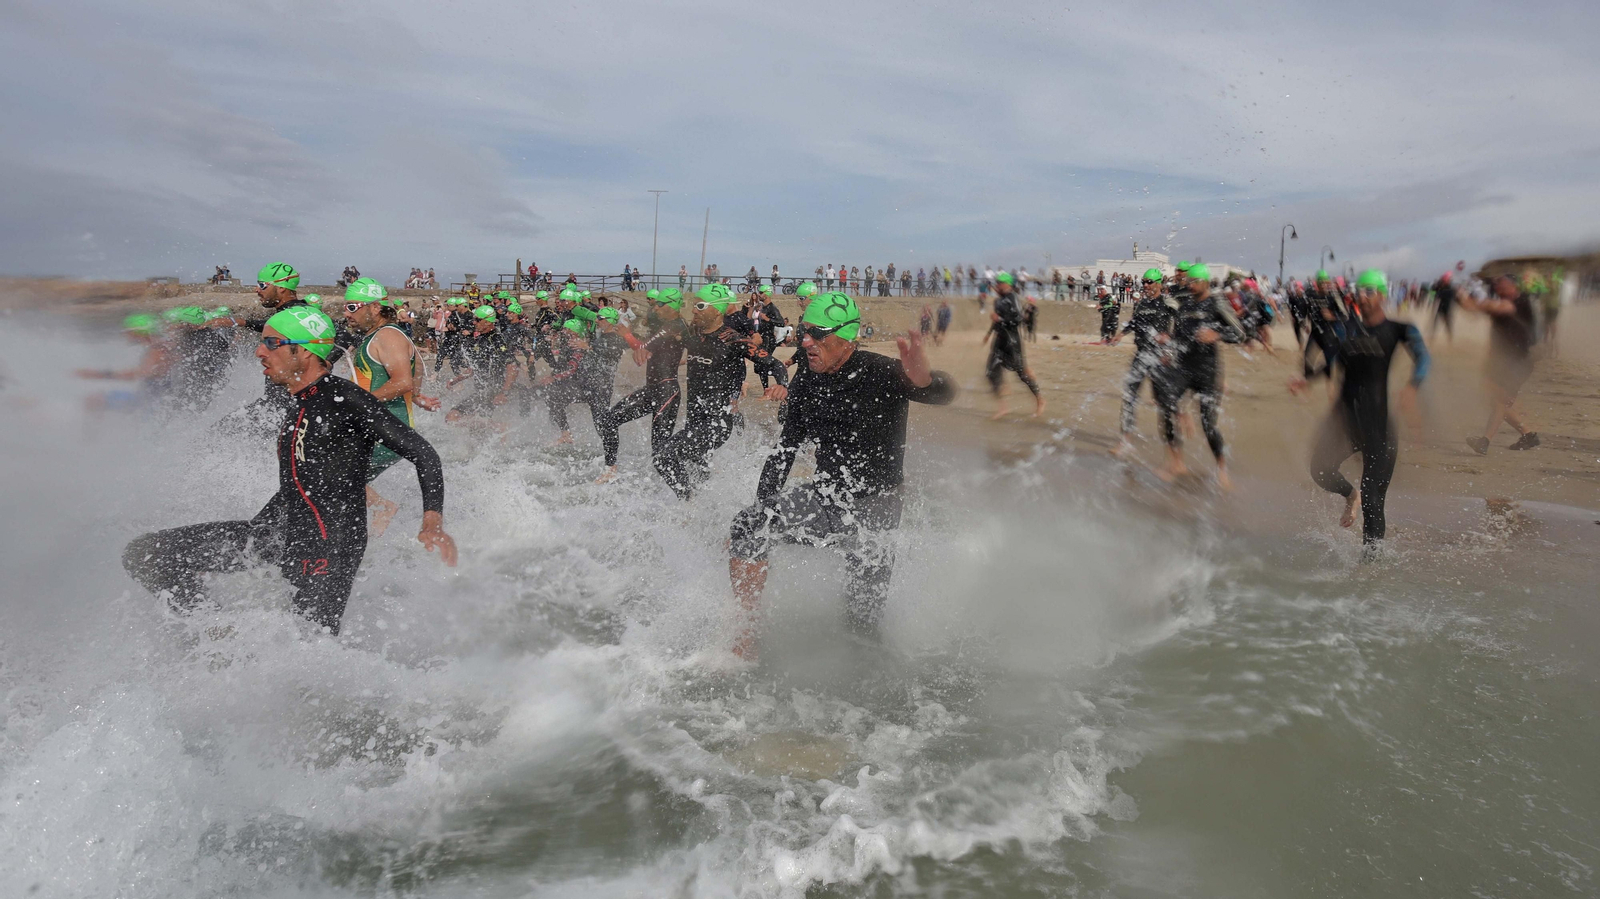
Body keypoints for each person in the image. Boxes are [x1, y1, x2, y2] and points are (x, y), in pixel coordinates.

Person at [122, 306, 456, 635]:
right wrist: (260, 525)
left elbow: (423, 452)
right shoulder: (299, 399)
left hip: (329, 546)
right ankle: (215, 634)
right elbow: (306, 478)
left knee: (311, 643)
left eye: (271, 343)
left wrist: (432, 521)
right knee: (147, 554)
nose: (258, 351)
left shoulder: (345, 399)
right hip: (278, 534)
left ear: (305, 352)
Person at [727, 292, 955, 658]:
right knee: (749, 526)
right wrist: (762, 507)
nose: (806, 342)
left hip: (876, 509)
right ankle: (745, 639)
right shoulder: (805, 383)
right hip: (827, 499)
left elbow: (943, 394)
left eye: (817, 334)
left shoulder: (880, 371)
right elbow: (784, 453)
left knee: (862, 622)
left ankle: (871, 683)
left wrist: (925, 381)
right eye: (804, 332)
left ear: (847, 336)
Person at [1290, 270, 1427, 558]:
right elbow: (1333, 361)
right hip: (1346, 423)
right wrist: (1309, 378)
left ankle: (1371, 565)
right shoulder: (1347, 330)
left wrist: (1412, 388)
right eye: (1359, 291)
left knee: (1374, 502)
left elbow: (1423, 358)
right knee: (1320, 470)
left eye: (1368, 291)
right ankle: (1350, 494)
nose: (1362, 297)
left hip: (1378, 425)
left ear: (1381, 295)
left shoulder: (1398, 330)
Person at [655, 283, 788, 500]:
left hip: (718, 423)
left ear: (717, 310)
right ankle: (704, 508)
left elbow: (776, 365)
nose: (694, 310)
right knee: (698, 471)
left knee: (663, 457)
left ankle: (686, 502)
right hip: (695, 419)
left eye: (700, 306)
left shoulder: (733, 339)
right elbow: (670, 323)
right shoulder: (693, 334)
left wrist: (782, 386)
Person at [341, 278, 441, 537]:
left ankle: (381, 508)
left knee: (328, 473)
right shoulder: (378, 335)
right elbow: (416, 365)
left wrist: (356, 404)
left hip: (385, 432)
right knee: (338, 483)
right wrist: (416, 395)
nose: (345, 313)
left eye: (352, 307)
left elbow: (401, 380)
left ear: (374, 308)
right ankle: (366, 531)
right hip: (375, 430)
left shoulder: (387, 335)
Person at [1152, 264, 1243, 488]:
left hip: (1207, 371)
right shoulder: (1185, 305)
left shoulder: (1216, 303)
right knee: (1165, 406)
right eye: (1188, 282)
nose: (1190, 286)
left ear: (1204, 282)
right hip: (1184, 367)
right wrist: (1168, 347)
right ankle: (1177, 463)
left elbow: (1240, 333)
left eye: (1194, 282)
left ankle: (1222, 468)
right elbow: (1179, 335)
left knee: (1208, 423)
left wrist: (1217, 334)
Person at [604, 288, 687, 480]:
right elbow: (649, 349)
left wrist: (626, 334)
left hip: (667, 391)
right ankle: (610, 469)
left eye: (659, 304)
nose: (655, 308)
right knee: (609, 420)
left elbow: (642, 347)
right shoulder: (668, 326)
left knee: (660, 455)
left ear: (671, 305)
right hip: (653, 390)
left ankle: (689, 496)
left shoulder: (674, 326)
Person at [1463, 274, 1540, 453]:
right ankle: (1528, 435)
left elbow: (1496, 308)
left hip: (1519, 362)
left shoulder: (1519, 302)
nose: (1499, 288)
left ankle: (1484, 441)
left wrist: (1465, 297)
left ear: (1514, 287)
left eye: (1503, 285)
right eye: (1498, 285)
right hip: (1505, 361)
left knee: (1500, 401)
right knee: (1495, 399)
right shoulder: (1506, 301)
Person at [1111, 269, 1179, 457]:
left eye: (1150, 282)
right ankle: (1125, 441)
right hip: (1141, 355)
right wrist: (1120, 334)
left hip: (1160, 356)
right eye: (1144, 282)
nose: (1146, 285)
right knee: (1129, 396)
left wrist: (1170, 338)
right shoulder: (1141, 303)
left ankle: (1173, 449)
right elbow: (1134, 322)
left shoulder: (1167, 302)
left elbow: (1181, 323)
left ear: (1159, 283)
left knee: (1164, 402)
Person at [981, 272, 1044, 419]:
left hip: (1012, 341)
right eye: (996, 283)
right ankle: (1003, 407)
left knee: (1022, 374)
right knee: (990, 372)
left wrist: (1000, 319)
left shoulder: (1012, 298)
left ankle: (1040, 400)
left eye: (999, 283)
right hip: (999, 341)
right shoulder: (998, 301)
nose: (997, 286)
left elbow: (1017, 319)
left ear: (1007, 284)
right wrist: (989, 333)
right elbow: (995, 320)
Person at [445, 305, 521, 425]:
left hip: (493, 391)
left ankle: (502, 428)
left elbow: (513, 367)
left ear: (487, 322)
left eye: (478, 320)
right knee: (459, 420)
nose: (474, 322)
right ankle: (496, 428)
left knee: (454, 418)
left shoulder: (497, 340)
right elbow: (475, 367)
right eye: (474, 319)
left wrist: (504, 392)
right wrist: (456, 379)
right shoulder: (480, 339)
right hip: (482, 391)